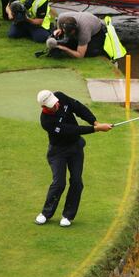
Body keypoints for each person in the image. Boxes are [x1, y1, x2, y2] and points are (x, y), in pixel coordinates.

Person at [34, 90, 112, 228]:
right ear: (44, 107)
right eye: (52, 105)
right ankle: (46, 213)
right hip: (58, 152)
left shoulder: (60, 97)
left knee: (76, 181)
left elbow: (78, 108)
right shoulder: (46, 122)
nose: (56, 104)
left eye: (55, 101)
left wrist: (95, 122)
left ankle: (67, 215)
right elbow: (71, 130)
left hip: (75, 148)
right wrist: (96, 129)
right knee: (59, 183)